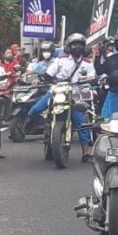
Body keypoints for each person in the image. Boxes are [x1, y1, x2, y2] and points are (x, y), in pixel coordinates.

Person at [27, 33, 97, 162]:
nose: (77, 47)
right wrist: (41, 78)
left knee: (82, 124)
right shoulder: (60, 60)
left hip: (75, 96)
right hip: (57, 92)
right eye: (74, 44)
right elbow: (49, 73)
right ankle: (45, 127)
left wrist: (92, 80)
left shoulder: (88, 63)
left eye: (80, 45)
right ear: (69, 47)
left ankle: (86, 153)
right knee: (34, 110)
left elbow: (92, 77)